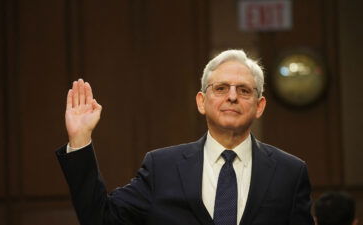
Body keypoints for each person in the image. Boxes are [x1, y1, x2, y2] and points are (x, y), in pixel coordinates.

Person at [56, 49, 314, 225]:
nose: (232, 96)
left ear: (259, 106)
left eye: (244, 90)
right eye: (221, 88)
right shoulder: (162, 168)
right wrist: (80, 141)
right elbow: (101, 219)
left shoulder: (289, 172)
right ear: (202, 102)